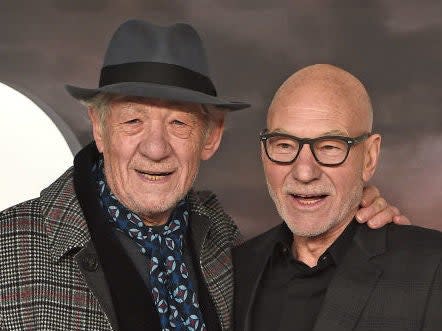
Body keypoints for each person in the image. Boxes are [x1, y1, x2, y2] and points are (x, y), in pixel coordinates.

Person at [0, 20, 405, 331]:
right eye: (133, 120)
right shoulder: (11, 248)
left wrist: (353, 218)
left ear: (210, 137)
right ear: (100, 128)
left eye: (179, 123)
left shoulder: (224, 242)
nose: (155, 148)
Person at [233, 64, 442, 331]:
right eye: (284, 145)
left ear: (369, 157)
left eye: (330, 147)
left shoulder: (432, 268)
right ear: (264, 152)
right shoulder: (235, 269)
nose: (304, 172)